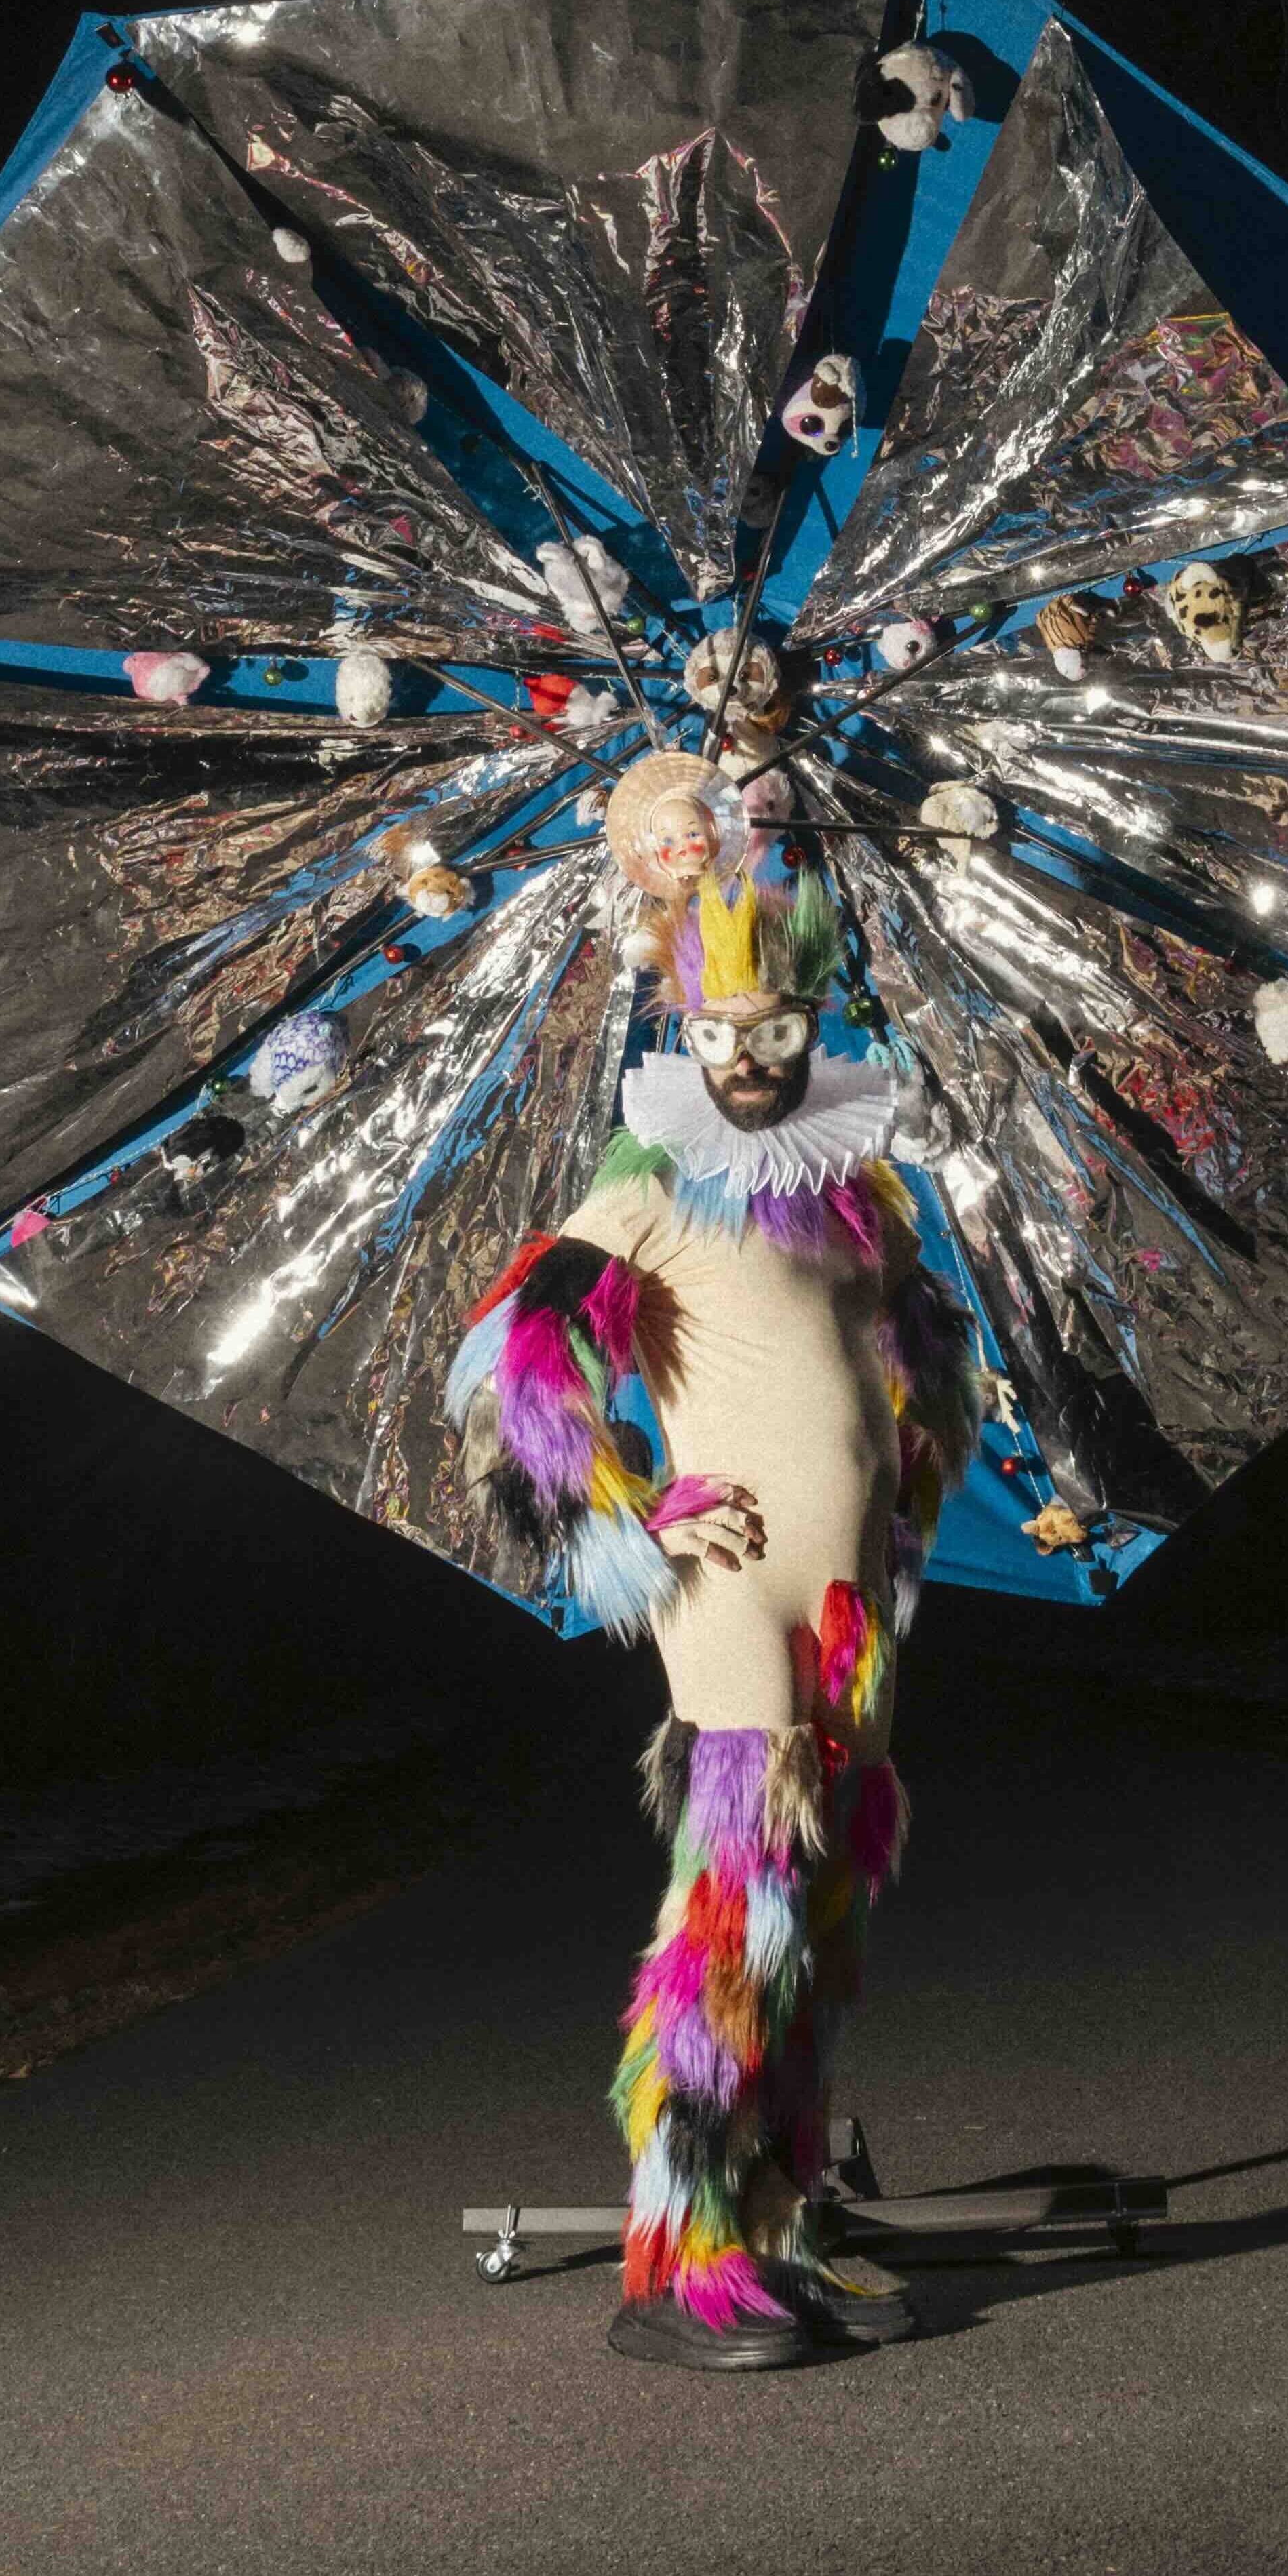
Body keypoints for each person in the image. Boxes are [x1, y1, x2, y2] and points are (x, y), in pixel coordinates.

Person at [444, 865, 980, 2369]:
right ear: (683, 1030)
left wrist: (918, 1445)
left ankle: (779, 2216)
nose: (749, 1054)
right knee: (738, 1901)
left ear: (820, 1023)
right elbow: (514, 1356)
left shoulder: (849, 1186)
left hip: (848, 1602)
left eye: (780, 1021)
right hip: (726, 1594)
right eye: (721, 1026)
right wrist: (621, 1515)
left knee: (816, 1912)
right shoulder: (647, 1181)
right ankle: (679, 2260)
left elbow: (909, 1340)